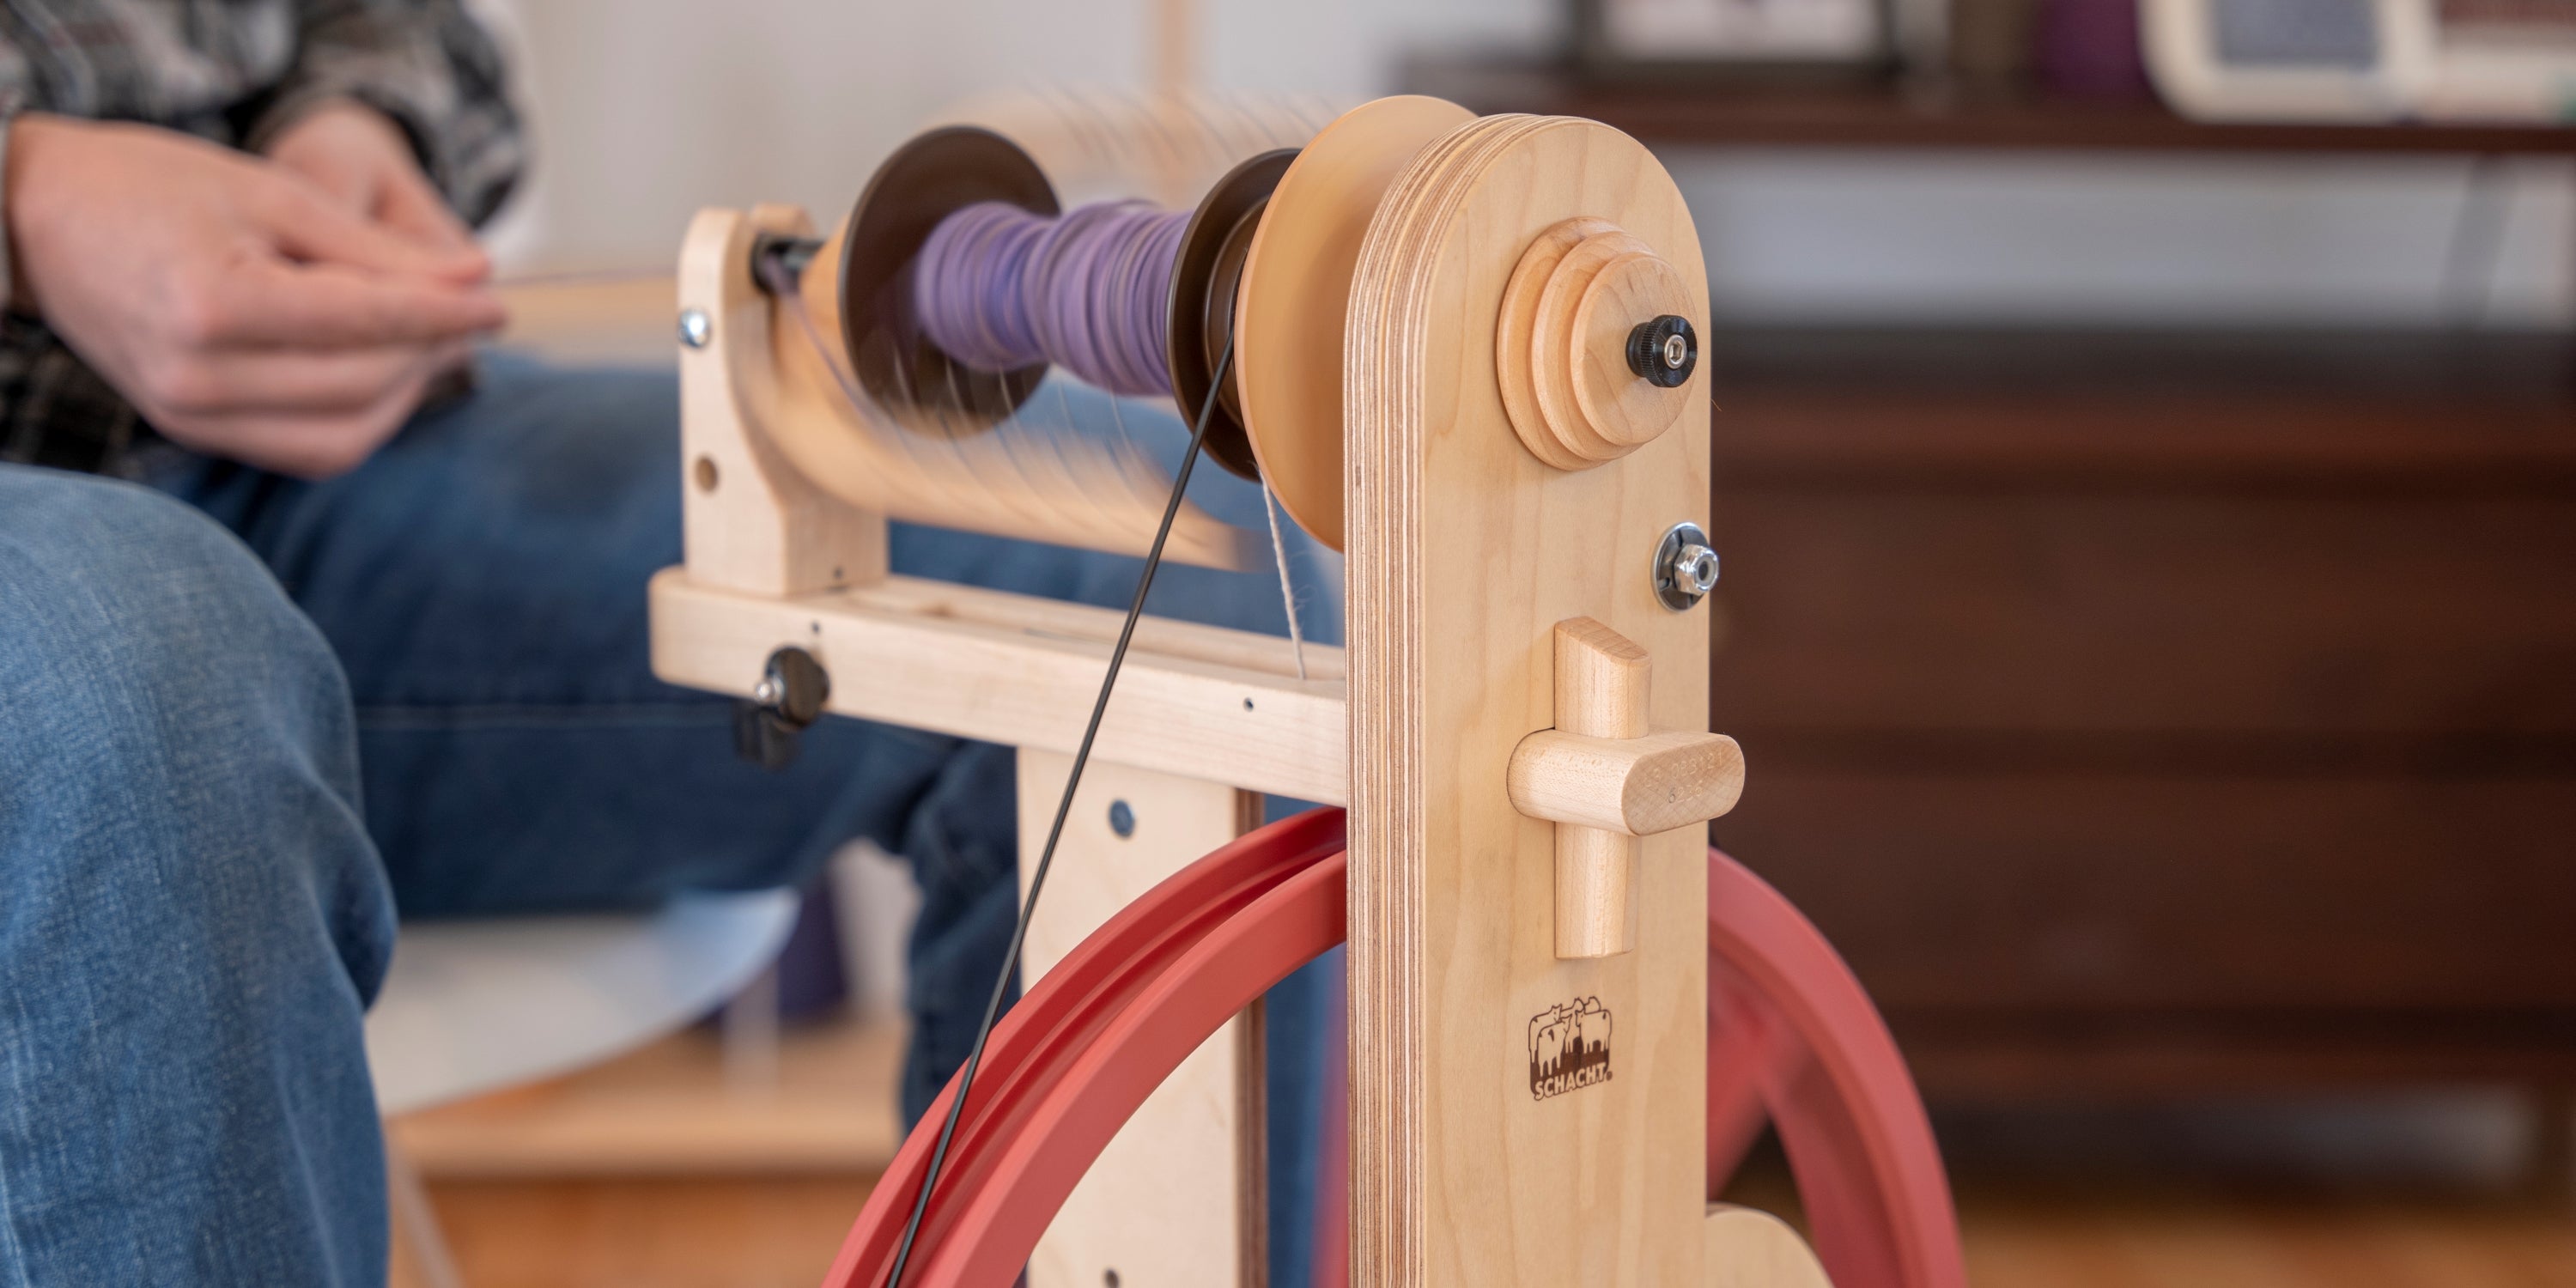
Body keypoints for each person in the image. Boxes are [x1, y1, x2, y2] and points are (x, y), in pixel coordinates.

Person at [0, 3, 1334, 1284]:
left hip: (306, 473)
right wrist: (27, 201)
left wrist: (359, 123)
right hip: (91, 575)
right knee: (129, 700)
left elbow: (410, 28)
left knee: (1193, 566)